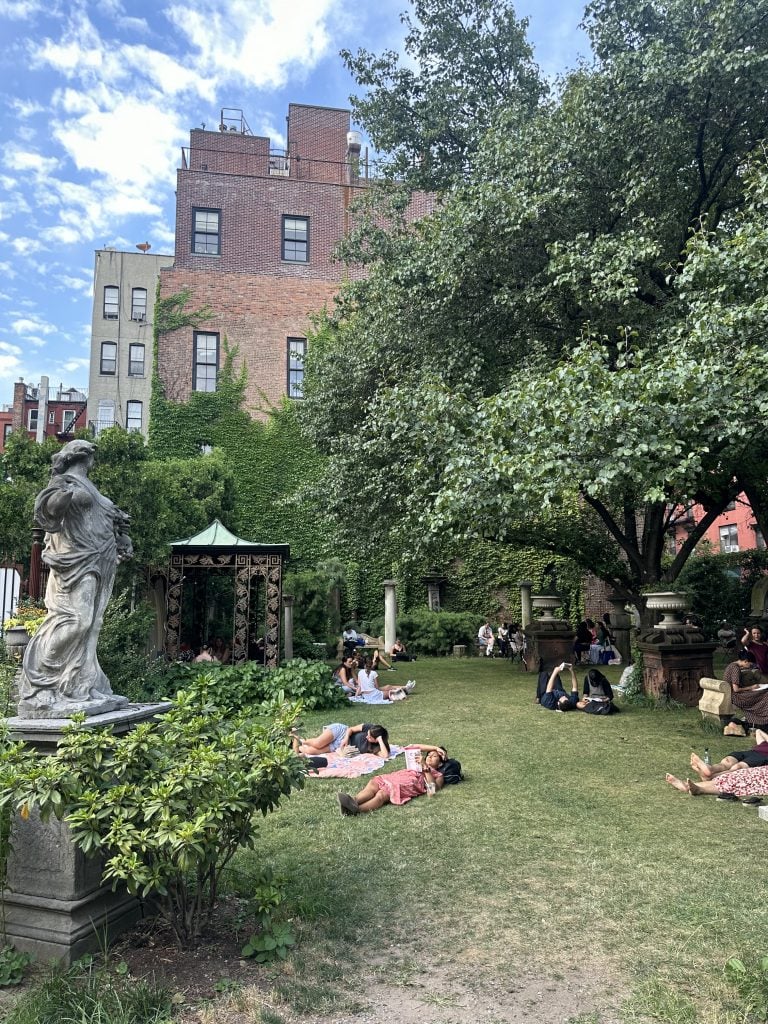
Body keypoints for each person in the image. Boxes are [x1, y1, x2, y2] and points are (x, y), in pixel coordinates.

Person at [18, 438, 132, 718]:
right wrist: (62, 497)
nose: (93, 459)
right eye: (91, 454)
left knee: (93, 624)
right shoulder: (63, 482)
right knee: (76, 620)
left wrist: (122, 539)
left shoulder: (90, 487)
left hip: (100, 556)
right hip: (76, 558)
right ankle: (41, 682)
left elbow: (112, 518)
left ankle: (84, 684)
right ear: (82, 457)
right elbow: (47, 512)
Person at [337, 745, 448, 815]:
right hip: (396, 777)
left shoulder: (438, 775)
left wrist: (426, 769)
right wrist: (435, 748)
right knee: (374, 783)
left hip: (406, 784)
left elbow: (432, 792)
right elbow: (413, 746)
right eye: (428, 754)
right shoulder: (415, 764)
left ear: (440, 762)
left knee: (382, 794)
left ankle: (357, 810)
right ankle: (353, 801)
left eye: (434, 756)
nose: (429, 756)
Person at [686, 729, 768, 779]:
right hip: (750, 752)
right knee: (727, 762)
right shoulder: (764, 743)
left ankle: (712, 777)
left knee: (737, 767)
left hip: (762, 757)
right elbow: (758, 732)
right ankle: (709, 769)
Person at [725, 649, 768, 731]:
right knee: (765, 695)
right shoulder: (735, 669)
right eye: (750, 664)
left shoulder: (732, 665)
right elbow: (736, 689)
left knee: (763, 693)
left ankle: (757, 720)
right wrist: (751, 688)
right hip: (736, 697)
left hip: (734, 694)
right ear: (746, 661)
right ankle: (763, 720)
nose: (750, 666)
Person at [293, 723, 390, 758]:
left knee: (312, 751)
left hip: (340, 746)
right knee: (318, 743)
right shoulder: (370, 727)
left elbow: (385, 755)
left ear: (376, 740)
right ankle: (297, 739)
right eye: (367, 734)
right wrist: (346, 738)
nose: (366, 737)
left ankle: (294, 744)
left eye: (369, 737)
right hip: (342, 732)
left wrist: (380, 740)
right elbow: (351, 729)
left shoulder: (376, 747)